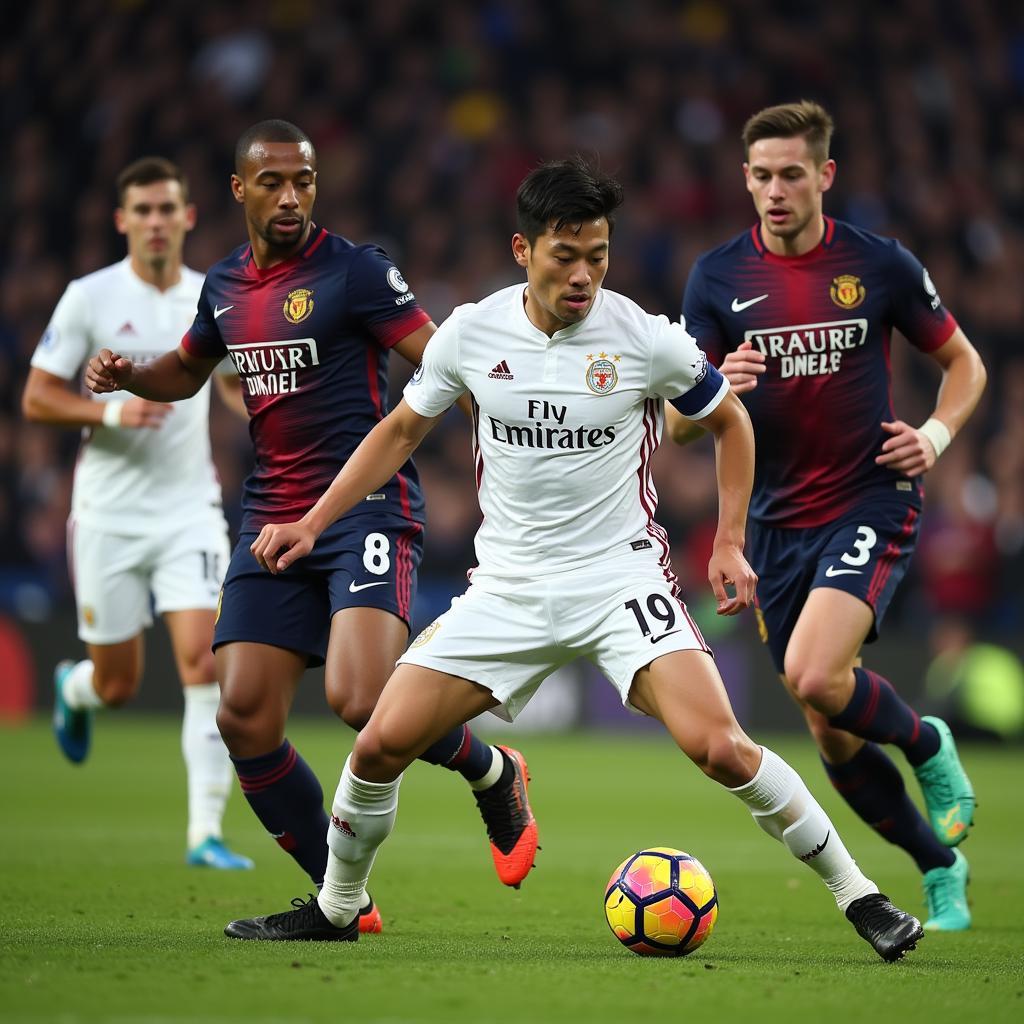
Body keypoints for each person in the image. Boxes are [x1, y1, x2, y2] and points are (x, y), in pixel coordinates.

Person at [203, 156, 924, 961]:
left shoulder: (646, 338)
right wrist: (312, 520)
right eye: (566, 256)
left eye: (599, 256)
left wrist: (727, 541)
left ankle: (860, 897)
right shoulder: (473, 333)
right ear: (524, 250)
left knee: (721, 747)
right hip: (506, 589)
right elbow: (400, 431)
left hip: (620, 582)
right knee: (376, 743)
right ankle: (340, 907)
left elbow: (731, 422)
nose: (584, 275)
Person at [83, 120, 538, 929]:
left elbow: (444, 366)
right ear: (239, 190)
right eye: (272, 182)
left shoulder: (356, 272)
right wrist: (130, 375)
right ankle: (343, 899)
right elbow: (187, 372)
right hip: (270, 519)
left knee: (361, 700)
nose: (290, 195)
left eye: (303, 180)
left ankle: (493, 770)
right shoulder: (223, 285)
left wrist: (515, 457)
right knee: (242, 715)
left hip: (367, 507)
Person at [667, 101, 987, 932]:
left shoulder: (876, 265)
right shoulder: (715, 278)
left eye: (792, 175)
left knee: (813, 675)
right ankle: (938, 862)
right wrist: (714, 393)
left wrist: (937, 434)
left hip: (869, 496)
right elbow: (671, 420)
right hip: (777, 524)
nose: (776, 191)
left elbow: (963, 362)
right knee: (829, 725)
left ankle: (927, 745)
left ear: (824, 176)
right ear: (745, 179)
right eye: (762, 176)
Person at [23, 156, 253, 870]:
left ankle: (204, 834)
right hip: (109, 516)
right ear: (123, 221)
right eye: (142, 211)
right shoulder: (89, 299)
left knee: (201, 662)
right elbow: (37, 398)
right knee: (117, 683)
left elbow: (225, 383)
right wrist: (112, 410)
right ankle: (76, 689)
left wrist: (252, 401)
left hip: (189, 509)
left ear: (188, 217)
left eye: (167, 209)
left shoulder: (209, 295)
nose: (156, 222)